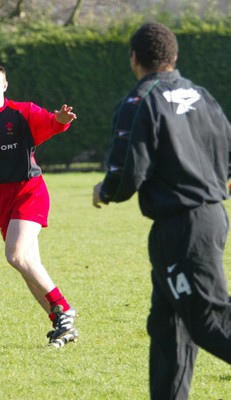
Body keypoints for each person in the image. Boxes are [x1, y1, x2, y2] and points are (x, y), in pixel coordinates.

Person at [93, 22, 231, 399]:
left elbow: (126, 173)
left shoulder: (140, 101)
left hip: (181, 227)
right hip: (210, 218)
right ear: (174, 57)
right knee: (169, 326)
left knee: (208, 320)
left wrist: (104, 190)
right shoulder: (203, 96)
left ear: (135, 58)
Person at [0, 63, 78, 348]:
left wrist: (61, 120)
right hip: (1, 196)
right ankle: (60, 324)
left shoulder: (22, 111)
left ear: (5, 86)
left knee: (15, 255)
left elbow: (50, 123)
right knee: (27, 264)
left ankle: (65, 309)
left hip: (29, 189)